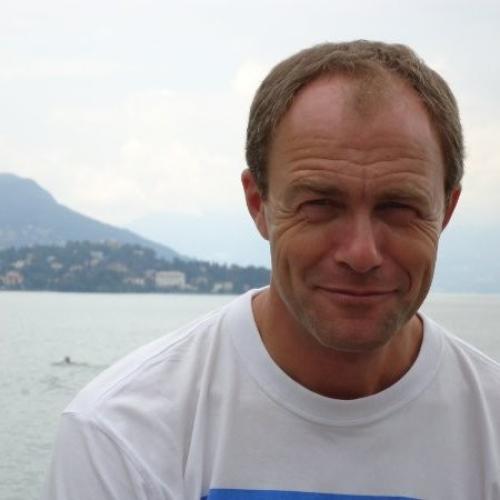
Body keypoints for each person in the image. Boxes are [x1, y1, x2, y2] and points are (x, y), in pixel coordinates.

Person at [41, 41, 500, 499]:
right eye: (319, 205)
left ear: (447, 210)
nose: (361, 254)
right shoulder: (121, 436)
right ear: (257, 203)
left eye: (399, 207)